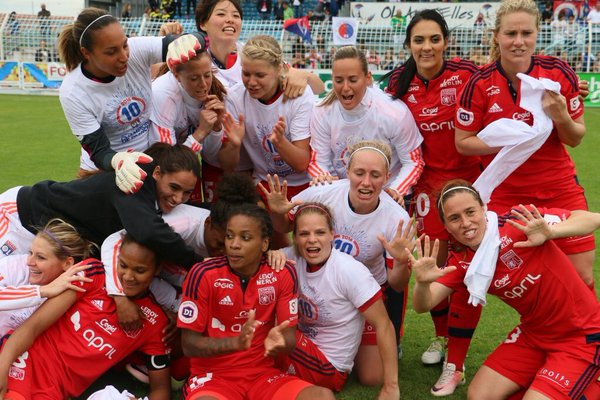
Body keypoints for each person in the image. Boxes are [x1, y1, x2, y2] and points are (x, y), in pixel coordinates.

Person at [408, 180, 600, 399]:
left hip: (581, 334)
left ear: (483, 208)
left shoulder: (518, 221)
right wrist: (422, 283)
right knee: (479, 395)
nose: (465, 222)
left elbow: (593, 219)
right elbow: (423, 304)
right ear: (446, 226)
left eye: (470, 212)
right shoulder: (463, 261)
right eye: (454, 218)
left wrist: (552, 232)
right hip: (534, 335)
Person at [455, 0, 594, 289]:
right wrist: (514, 137)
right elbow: (463, 143)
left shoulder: (558, 73)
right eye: (510, 34)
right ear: (497, 36)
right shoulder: (479, 83)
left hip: (560, 189)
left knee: (582, 278)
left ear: (537, 33)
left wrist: (560, 116)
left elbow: (575, 138)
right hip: (506, 196)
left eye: (526, 33)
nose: (519, 42)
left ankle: (585, 334)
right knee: (510, 280)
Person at [261, 140, 412, 387]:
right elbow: (287, 227)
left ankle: (374, 344)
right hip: (324, 281)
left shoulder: (396, 218)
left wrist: (403, 263)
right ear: (348, 172)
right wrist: (277, 212)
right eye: (359, 173)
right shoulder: (324, 192)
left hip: (370, 291)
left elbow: (396, 283)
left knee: (372, 377)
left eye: (375, 175)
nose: (366, 182)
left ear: (386, 177)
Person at [177, 204, 335, 400]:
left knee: (322, 396)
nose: (234, 244)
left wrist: (281, 343)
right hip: (213, 378)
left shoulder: (283, 272)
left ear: (264, 244)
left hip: (263, 375)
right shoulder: (203, 274)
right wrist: (234, 343)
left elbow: (289, 339)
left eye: (245, 238)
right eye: (229, 236)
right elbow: (189, 345)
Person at [0, 234, 171, 399]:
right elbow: (32, 326)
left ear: (157, 269)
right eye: (123, 265)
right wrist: (2, 367)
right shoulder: (93, 273)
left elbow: (161, 388)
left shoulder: (156, 321)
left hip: (56, 389)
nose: (128, 277)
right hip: (27, 359)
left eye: (140, 270)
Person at [194, 0, 324, 201]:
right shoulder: (196, 62)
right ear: (203, 23)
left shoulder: (253, 53)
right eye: (221, 14)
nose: (251, 82)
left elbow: (318, 87)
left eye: (236, 15)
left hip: (258, 168)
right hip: (222, 163)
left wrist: (304, 75)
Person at [57, 7, 200, 188]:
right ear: (86, 53)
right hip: (103, 170)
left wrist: (190, 40)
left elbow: (192, 42)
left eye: (125, 45)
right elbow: (99, 151)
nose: (124, 56)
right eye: (111, 52)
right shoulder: (73, 92)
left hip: (149, 161)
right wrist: (119, 161)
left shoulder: (137, 49)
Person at [0, 143, 202, 270]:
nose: (178, 198)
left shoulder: (152, 192)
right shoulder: (133, 181)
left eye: (186, 192)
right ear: (157, 173)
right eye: (174, 187)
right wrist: (196, 263)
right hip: (18, 218)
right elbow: (147, 231)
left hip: (51, 240)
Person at [277, 202, 401, 398]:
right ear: (295, 238)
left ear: (331, 234)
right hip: (303, 347)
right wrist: (270, 257)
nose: (312, 240)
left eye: (319, 232)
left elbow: (384, 324)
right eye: (303, 234)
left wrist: (391, 387)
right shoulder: (292, 257)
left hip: (328, 366)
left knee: (272, 332)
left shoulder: (348, 270)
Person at [308, 46, 423, 204]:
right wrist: (323, 178)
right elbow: (318, 161)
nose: (345, 87)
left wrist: (396, 190)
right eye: (339, 80)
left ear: (368, 78)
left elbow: (413, 162)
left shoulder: (394, 113)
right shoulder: (322, 111)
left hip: (387, 194)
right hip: (345, 195)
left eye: (353, 80)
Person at [219, 35, 314, 202]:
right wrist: (234, 145)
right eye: (246, 73)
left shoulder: (298, 95)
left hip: (305, 184)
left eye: (260, 75)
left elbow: (301, 164)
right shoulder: (235, 98)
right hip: (264, 183)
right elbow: (227, 165)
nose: (251, 82)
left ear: (278, 69)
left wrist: (280, 142)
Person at [150, 36, 228, 203]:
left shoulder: (216, 93)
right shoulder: (163, 94)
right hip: (154, 174)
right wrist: (200, 133)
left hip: (187, 166)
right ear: (177, 75)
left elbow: (211, 157)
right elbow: (167, 163)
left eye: (207, 75)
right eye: (194, 78)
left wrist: (216, 128)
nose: (203, 85)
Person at [0, 218, 95, 336]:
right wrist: (42, 291)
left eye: (40, 257)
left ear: (67, 264)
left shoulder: (70, 295)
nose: (30, 261)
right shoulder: (16, 265)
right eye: (31, 252)